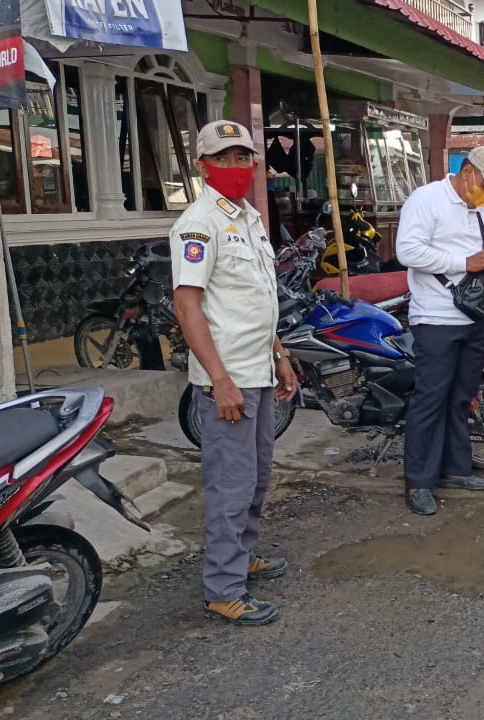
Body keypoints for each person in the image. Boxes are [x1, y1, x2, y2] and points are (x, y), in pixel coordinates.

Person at [170, 120, 298, 626]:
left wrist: (280, 354)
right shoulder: (198, 224)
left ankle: (243, 557)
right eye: (223, 158)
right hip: (228, 378)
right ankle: (223, 589)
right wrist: (218, 378)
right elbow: (187, 305)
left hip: (259, 369)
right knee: (231, 484)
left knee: (257, 477)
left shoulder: (248, 218)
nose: (236, 167)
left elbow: (257, 301)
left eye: (243, 157)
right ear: (204, 166)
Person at [395, 146, 484, 516]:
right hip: (436, 318)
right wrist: (463, 262)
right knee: (430, 398)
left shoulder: (482, 211)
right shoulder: (426, 199)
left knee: (462, 397)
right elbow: (408, 251)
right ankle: (418, 481)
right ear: (468, 173)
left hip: (475, 316)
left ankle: (456, 470)